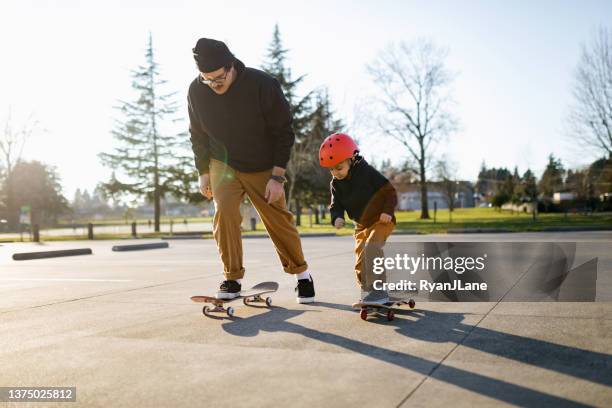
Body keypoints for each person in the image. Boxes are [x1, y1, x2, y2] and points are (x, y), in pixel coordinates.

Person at [187, 38, 315, 303]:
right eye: (207, 79)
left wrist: (277, 176)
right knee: (225, 214)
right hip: (222, 164)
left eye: (219, 78)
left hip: (263, 165)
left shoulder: (263, 85)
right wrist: (203, 171)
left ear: (231, 65)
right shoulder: (196, 91)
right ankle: (232, 278)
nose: (214, 85)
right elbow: (197, 134)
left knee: (277, 219)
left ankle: (302, 276)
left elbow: (284, 132)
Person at [319, 133, 397, 304]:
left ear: (352, 160)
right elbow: (335, 205)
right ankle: (368, 291)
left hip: (381, 220)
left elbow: (390, 191)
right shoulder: (336, 184)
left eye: (339, 168)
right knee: (360, 262)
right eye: (331, 169)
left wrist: (387, 211)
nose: (335, 173)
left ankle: (379, 290)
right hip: (361, 225)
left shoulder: (367, 172)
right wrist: (337, 217)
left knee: (372, 248)